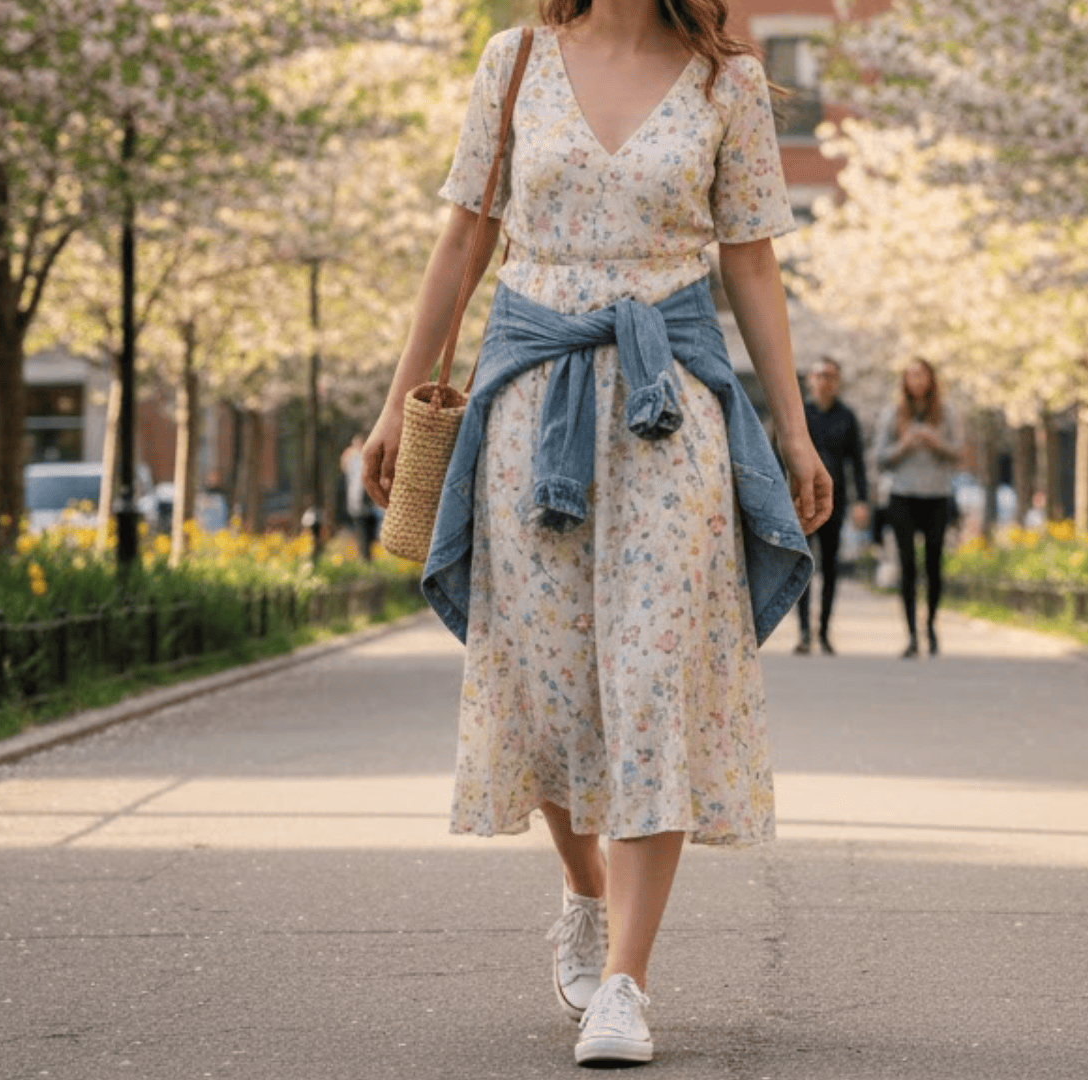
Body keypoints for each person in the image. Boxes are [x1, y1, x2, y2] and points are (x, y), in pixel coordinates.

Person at [361, 0, 829, 1066]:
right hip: (529, 408)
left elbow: (752, 261)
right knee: (553, 678)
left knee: (653, 676)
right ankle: (583, 892)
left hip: (671, 415)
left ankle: (627, 979)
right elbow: (465, 236)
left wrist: (793, 434)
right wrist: (399, 401)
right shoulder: (515, 61)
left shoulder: (731, 83)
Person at [873, 359, 960, 658]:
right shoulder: (892, 414)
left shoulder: (946, 413)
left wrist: (935, 441)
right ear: (904, 381)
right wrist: (905, 444)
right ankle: (911, 634)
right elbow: (880, 457)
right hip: (903, 495)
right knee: (907, 565)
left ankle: (932, 627)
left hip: (937, 495)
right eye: (911, 375)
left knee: (934, 565)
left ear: (931, 379)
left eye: (922, 374)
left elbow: (958, 452)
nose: (917, 380)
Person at [793, 356, 867, 655]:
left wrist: (862, 500)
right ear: (810, 379)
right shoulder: (797, 414)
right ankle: (803, 633)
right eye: (820, 375)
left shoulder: (847, 417)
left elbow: (857, 462)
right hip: (801, 499)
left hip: (834, 500)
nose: (825, 381)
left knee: (831, 566)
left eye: (831, 376)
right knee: (801, 566)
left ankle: (823, 631)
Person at [339, 432, 379, 561]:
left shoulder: (364, 457)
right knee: (363, 534)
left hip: (368, 502)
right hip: (358, 502)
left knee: (369, 534)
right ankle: (365, 558)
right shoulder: (353, 457)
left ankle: (367, 558)